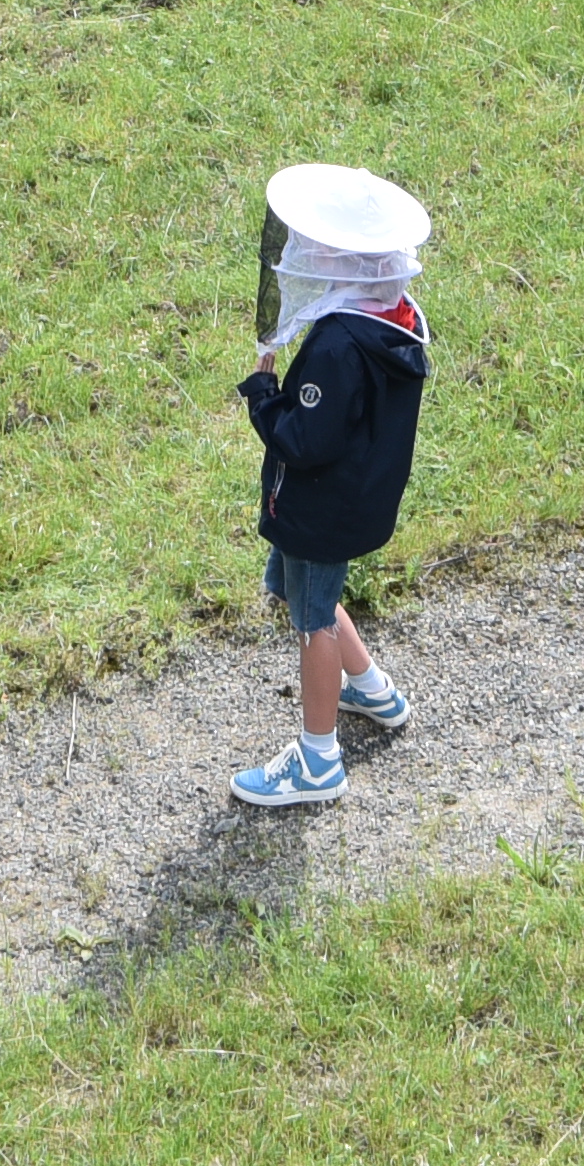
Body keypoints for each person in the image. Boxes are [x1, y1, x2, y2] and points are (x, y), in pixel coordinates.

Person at [228, 166, 432, 810]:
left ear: (348, 261)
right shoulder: (392, 321)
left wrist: (264, 395)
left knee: (311, 618)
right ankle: (370, 689)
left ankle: (319, 761)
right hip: (351, 500)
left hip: (323, 506)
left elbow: (303, 440)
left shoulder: (339, 346)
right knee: (303, 589)